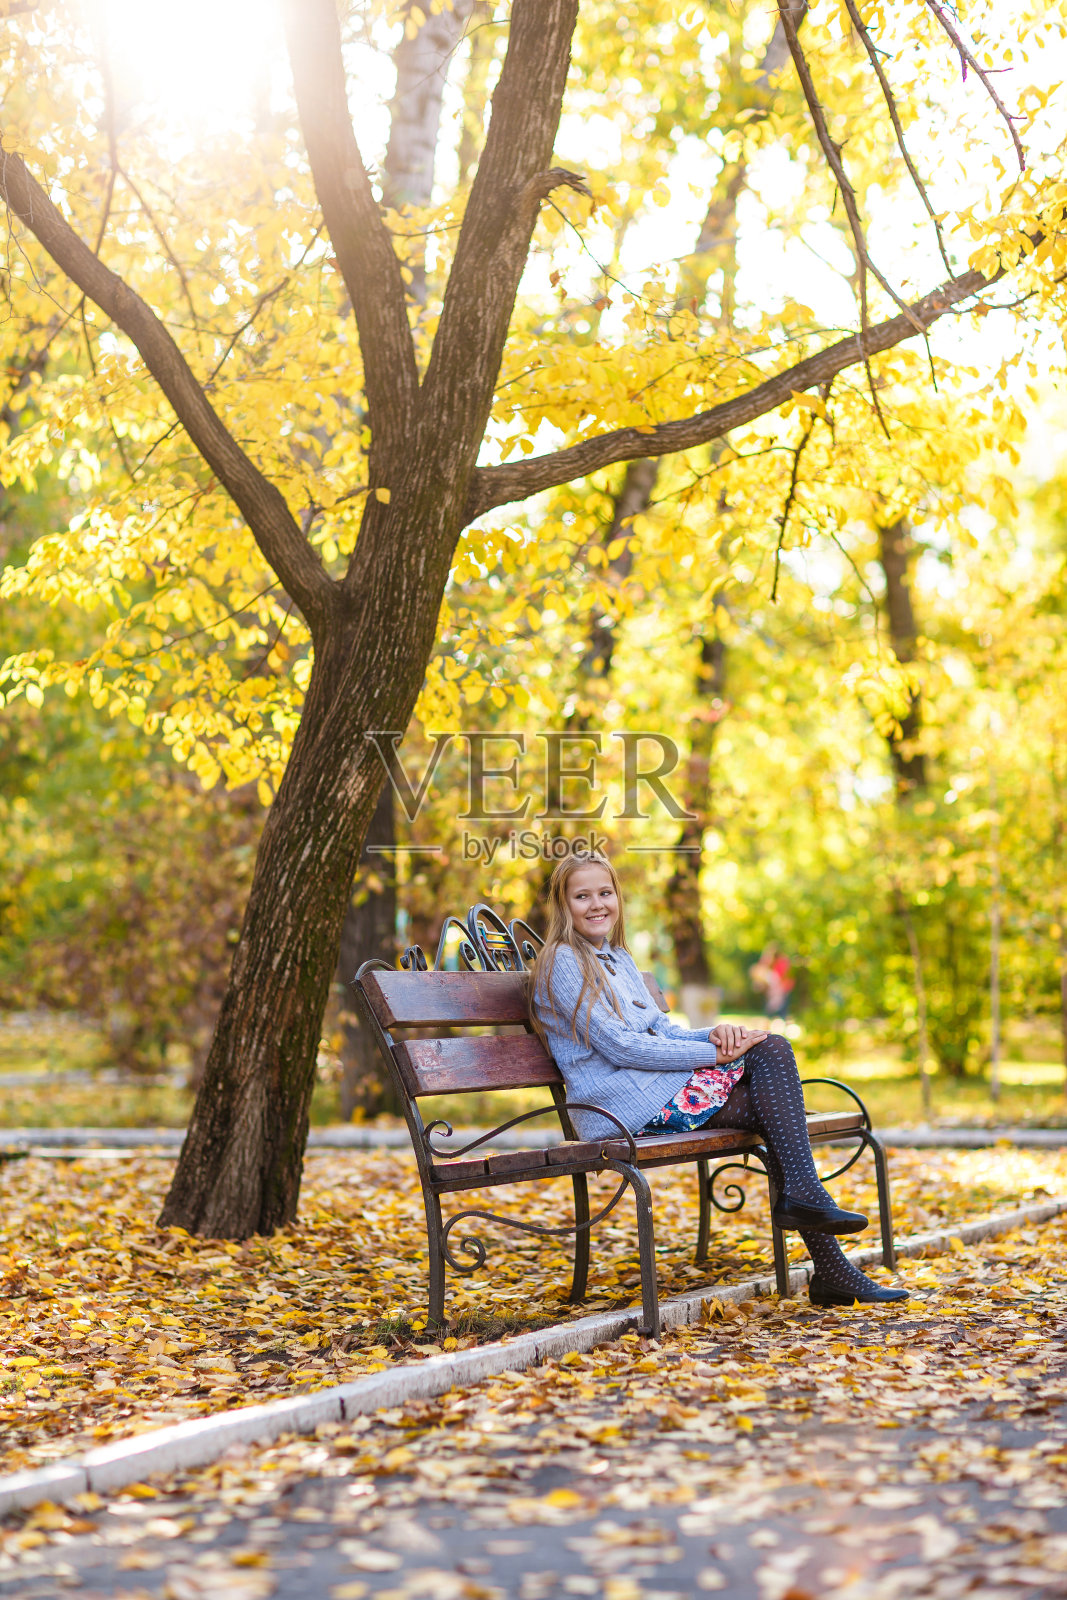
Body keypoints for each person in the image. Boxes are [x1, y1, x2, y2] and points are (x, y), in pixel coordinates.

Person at [529, 851, 907, 1308]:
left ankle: (823, 1249)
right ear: (562, 904)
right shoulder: (563, 961)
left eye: (604, 893)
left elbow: (662, 1030)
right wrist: (718, 1052)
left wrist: (719, 1033)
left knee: (766, 1056)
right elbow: (621, 1048)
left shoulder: (618, 958)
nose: (596, 904)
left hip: (655, 1093)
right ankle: (822, 1242)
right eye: (581, 896)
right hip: (618, 1108)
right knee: (769, 1050)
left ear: (618, 898)